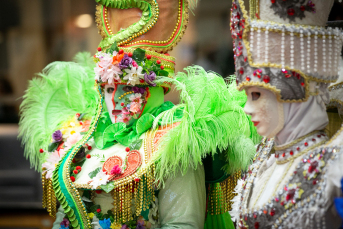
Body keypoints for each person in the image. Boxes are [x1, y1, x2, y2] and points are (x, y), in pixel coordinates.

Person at [19, 0, 259, 228]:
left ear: (151, 91)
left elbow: (182, 224)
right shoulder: (80, 140)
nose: (113, 99)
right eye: (109, 89)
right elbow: (65, 218)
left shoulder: (172, 144)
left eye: (126, 89)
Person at [229, 0, 343, 228]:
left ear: (294, 93)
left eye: (257, 96)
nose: (247, 109)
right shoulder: (263, 165)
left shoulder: (334, 169)